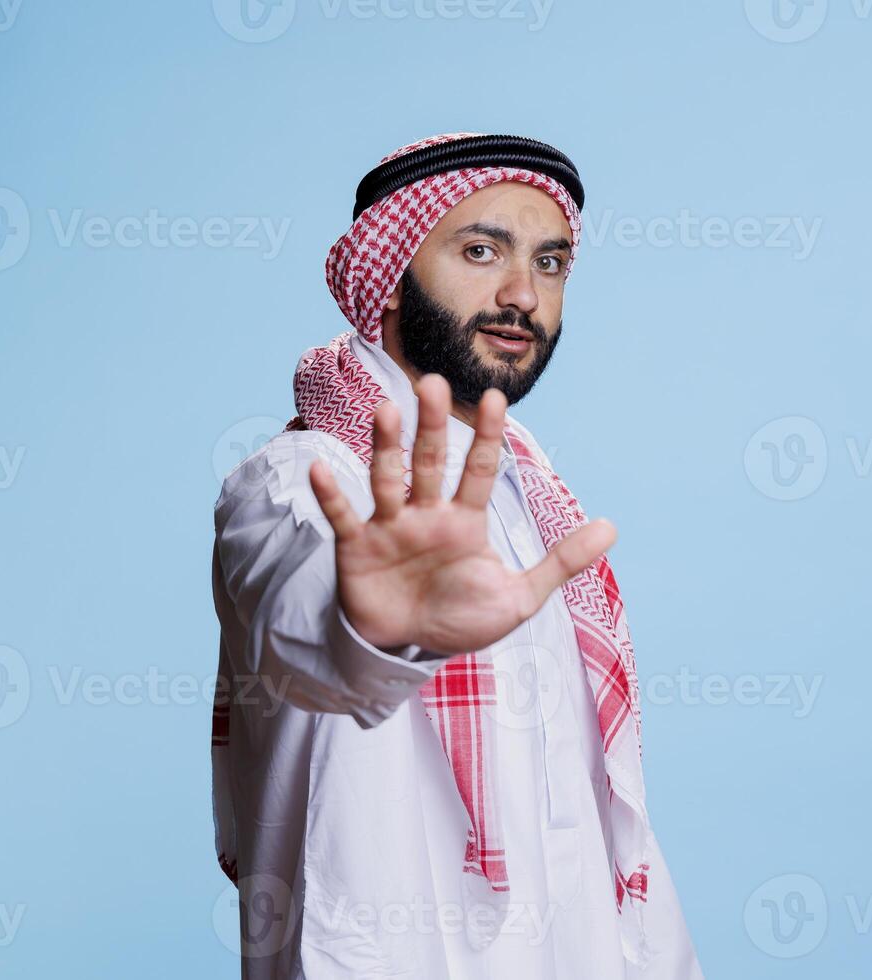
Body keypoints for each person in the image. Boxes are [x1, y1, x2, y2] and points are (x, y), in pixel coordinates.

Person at [210, 133, 704, 978]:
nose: (523, 295)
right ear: (389, 274)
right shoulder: (300, 483)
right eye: (481, 251)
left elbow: (598, 813)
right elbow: (307, 641)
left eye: (551, 265)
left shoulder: (529, 494)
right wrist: (373, 632)